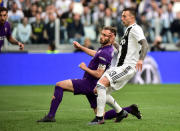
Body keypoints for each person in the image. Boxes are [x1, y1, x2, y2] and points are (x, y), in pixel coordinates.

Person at [37, 26, 140, 122]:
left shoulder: (105, 52)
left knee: (59, 85)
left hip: (89, 83)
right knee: (101, 115)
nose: (101, 36)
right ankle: (129, 109)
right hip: (94, 85)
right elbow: (95, 54)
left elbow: (99, 74)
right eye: (101, 34)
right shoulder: (104, 49)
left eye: (105, 35)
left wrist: (85, 68)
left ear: (111, 37)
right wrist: (81, 47)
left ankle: (51, 116)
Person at [89, 8, 149, 125]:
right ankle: (120, 112)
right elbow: (122, 50)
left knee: (101, 84)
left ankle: (99, 118)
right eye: (122, 16)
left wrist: (141, 60)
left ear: (132, 17)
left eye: (124, 16)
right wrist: (114, 42)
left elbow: (145, 44)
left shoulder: (135, 29)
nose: (122, 18)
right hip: (119, 66)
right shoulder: (128, 30)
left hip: (126, 67)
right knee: (99, 91)